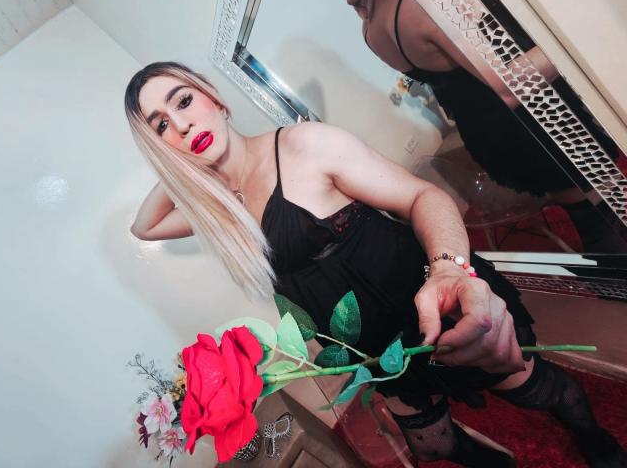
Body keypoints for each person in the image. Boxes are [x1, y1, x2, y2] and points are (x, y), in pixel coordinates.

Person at [125, 61, 625, 467]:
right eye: (161, 125)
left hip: (425, 302)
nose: (182, 124)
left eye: (184, 101)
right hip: (368, 349)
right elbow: (144, 227)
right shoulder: (217, 210)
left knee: (534, 388)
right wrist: (175, 160)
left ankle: (591, 433)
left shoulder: (303, 146)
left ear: (214, 96)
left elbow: (422, 197)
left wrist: (449, 269)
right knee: (433, 445)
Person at [345, 0, 627, 252]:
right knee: (603, 210)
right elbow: (511, 86)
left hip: (489, 133)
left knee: (589, 210)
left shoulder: (369, 27)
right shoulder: (422, 4)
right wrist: (577, 33)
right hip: (532, 125)